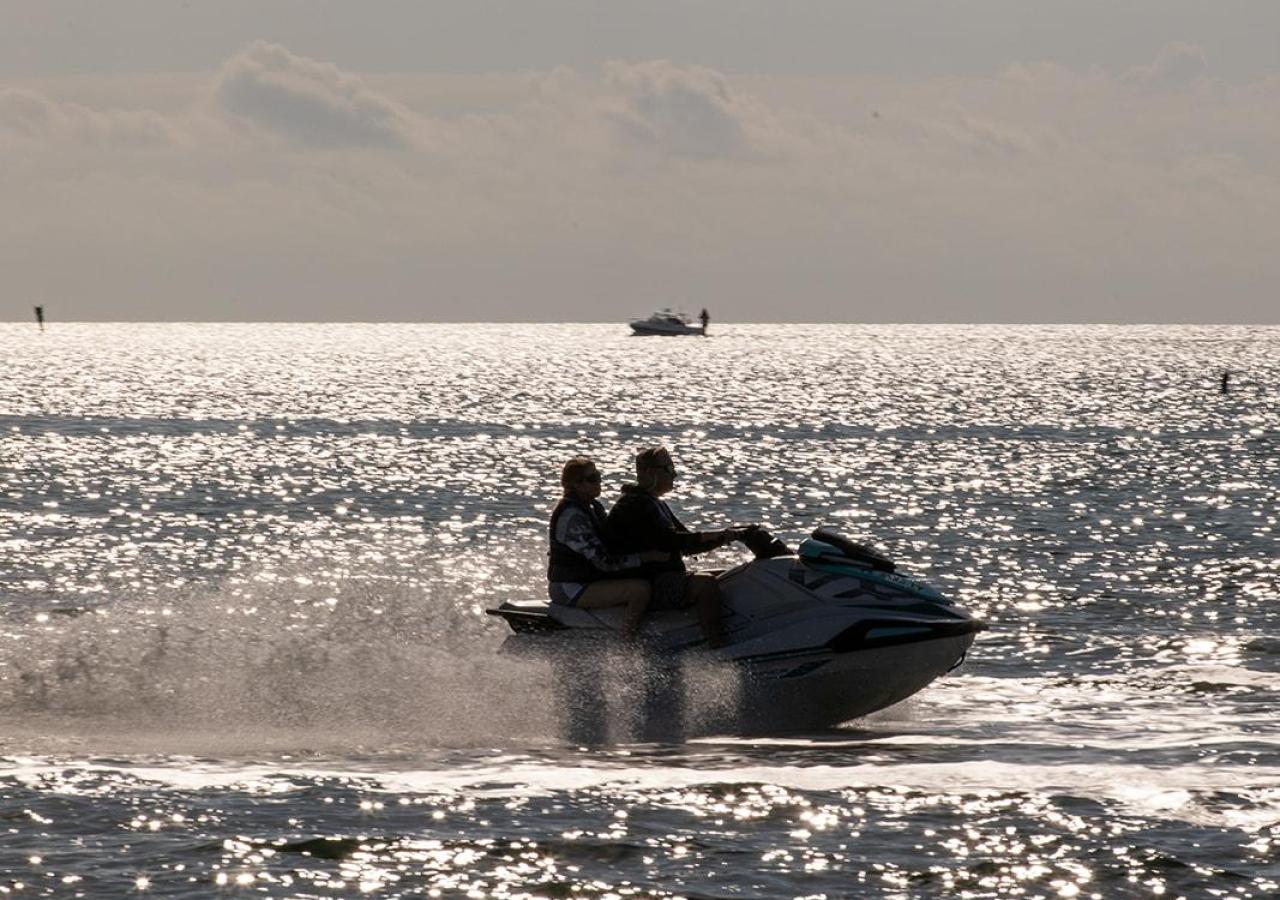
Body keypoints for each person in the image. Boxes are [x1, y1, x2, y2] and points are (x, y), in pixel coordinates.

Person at [608, 446, 751, 648]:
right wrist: (717, 535)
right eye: (668, 469)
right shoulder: (634, 505)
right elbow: (672, 541)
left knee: (735, 575)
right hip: (648, 582)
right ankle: (717, 648)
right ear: (649, 472)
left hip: (664, 577)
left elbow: (688, 545)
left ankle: (743, 629)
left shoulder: (656, 503)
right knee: (705, 584)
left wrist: (727, 536)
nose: (674, 475)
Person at [547, 456, 670, 640]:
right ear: (576, 485)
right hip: (570, 587)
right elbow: (604, 562)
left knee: (645, 577)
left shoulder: (593, 508)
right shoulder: (572, 517)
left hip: (588, 580)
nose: (599, 481)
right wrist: (646, 557)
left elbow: (613, 544)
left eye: (597, 475)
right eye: (592, 478)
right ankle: (627, 646)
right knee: (638, 589)